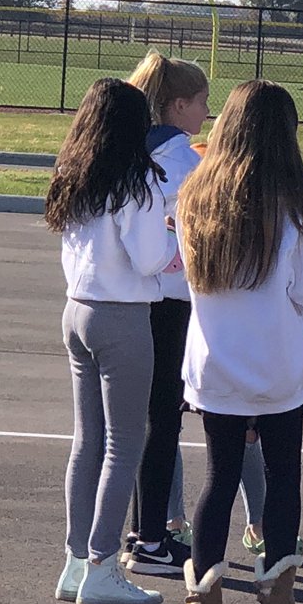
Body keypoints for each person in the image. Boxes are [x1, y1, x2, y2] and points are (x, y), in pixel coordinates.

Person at [174, 79, 303, 604]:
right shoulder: (292, 206)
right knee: (283, 479)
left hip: (214, 362)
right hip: (275, 365)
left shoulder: (195, 196)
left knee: (218, 479)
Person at [48, 77, 179, 604]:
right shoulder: (137, 182)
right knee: (125, 444)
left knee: (88, 440)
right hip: (122, 316)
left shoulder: (75, 175)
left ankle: (77, 562)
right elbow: (150, 259)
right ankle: (102, 566)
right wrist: (175, 231)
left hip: (76, 310)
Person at [122, 49, 210, 577]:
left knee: (137, 424)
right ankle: (152, 537)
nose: (206, 111)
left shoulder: (130, 153)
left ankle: (142, 531)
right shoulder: (187, 163)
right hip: (172, 304)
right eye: (201, 101)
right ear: (178, 105)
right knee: (161, 424)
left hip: (131, 299)